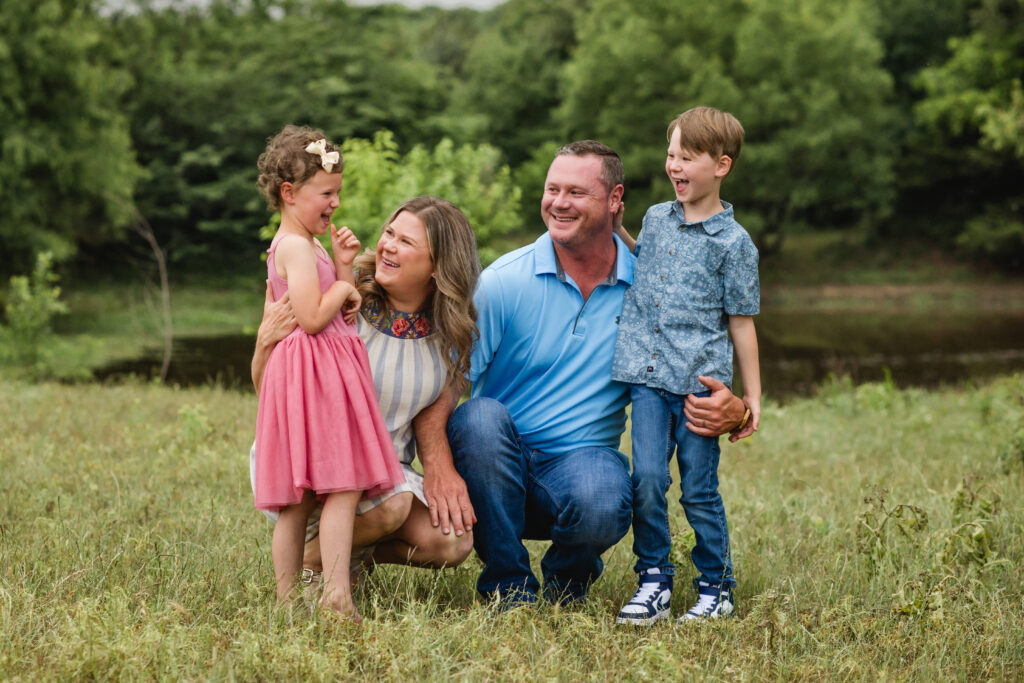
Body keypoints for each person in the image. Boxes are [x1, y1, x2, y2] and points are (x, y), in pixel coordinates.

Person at [445, 140, 748, 611]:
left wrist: (736, 405)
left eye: (576, 192)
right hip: (494, 469)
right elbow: (445, 387)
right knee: (478, 418)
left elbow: (699, 347)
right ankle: (509, 587)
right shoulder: (505, 281)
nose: (559, 203)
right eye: (552, 189)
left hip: (580, 466)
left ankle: (567, 584)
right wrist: (436, 472)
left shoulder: (648, 290)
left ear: (614, 200)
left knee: (607, 493)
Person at [251, 194, 479, 605]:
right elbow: (271, 387)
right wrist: (263, 344)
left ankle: (341, 562)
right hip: (317, 462)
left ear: (438, 267)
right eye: (390, 233)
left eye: (407, 242)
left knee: (453, 543)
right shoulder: (340, 292)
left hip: (387, 469)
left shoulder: (452, 332)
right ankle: (304, 564)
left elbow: (433, 413)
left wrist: (439, 467)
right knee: (395, 506)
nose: (388, 245)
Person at [612, 106, 760, 625]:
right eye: (670, 154)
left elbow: (741, 323)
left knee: (698, 488)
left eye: (687, 157)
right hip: (649, 378)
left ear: (721, 165)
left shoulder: (734, 244)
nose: (674, 165)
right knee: (647, 479)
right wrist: (618, 231)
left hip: (701, 387)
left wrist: (752, 399)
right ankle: (653, 579)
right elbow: (644, 264)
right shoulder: (655, 218)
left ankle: (716, 587)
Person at [253, 125, 405, 619]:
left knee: (329, 490)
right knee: (332, 490)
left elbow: (337, 307)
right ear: (290, 193)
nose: (335, 203)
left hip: (321, 378)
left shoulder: (309, 244)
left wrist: (342, 270)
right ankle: (325, 596)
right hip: (310, 379)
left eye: (338, 193)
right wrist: (342, 291)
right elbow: (315, 317)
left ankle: (306, 599)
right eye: (327, 194)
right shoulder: (293, 247)